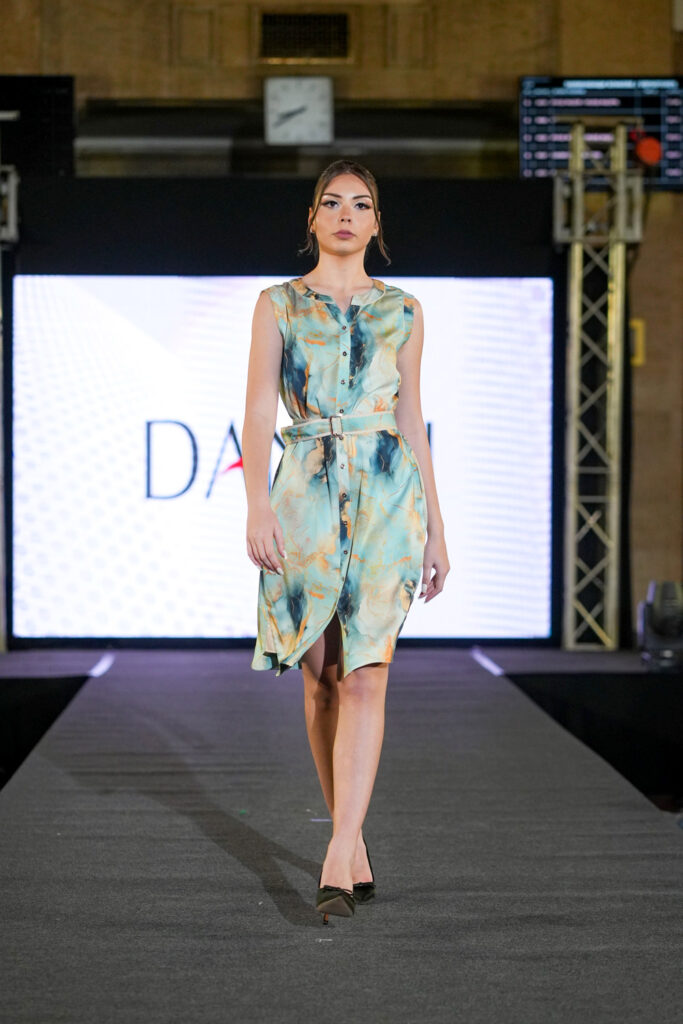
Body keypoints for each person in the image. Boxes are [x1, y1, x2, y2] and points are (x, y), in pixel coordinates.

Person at [242, 159, 449, 923]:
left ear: (375, 223)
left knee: (367, 673)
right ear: (312, 217)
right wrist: (256, 505)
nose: (345, 215)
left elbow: (411, 420)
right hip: (303, 493)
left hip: (389, 499)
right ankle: (351, 840)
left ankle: (336, 852)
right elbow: (257, 410)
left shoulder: (403, 309)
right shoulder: (277, 304)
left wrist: (436, 529)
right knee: (321, 678)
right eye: (331, 202)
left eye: (360, 205)